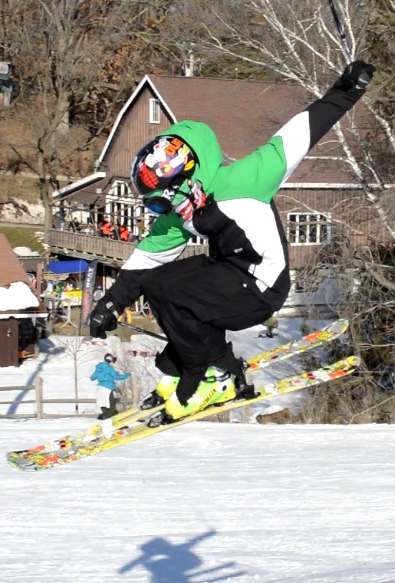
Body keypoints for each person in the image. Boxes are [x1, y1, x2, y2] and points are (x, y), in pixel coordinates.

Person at [88, 60, 375, 423]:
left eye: (161, 201)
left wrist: (347, 90)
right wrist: (110, 304)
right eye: (154, 205)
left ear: (187, 179)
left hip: (263, 285)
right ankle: (192, 369)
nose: (162, 211)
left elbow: (299, 134)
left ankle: (211, 375)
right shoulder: (179, 212)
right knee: (159, 285)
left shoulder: (247, 180)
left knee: (175, 294)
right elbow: (147, 261)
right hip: (228, 271)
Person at [90, 353, 131, 419]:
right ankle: (111, 418)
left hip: (100, 388)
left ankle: (104, 416)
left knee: (103, 403)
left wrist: (100, 375)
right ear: (110, 360)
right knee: (111, 404)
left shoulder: (98, 368)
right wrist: (127, 375)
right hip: (108, 388)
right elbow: (117, 377)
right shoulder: (109, 368)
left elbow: (92, 378)